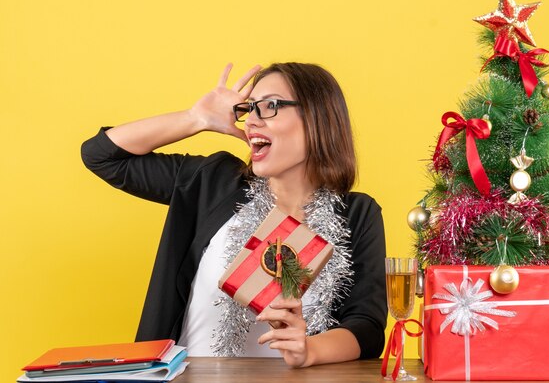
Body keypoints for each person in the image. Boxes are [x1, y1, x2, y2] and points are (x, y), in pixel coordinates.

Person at [81, 62, 387, 367]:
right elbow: (102, 157)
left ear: (317, 118)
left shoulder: (357, 214)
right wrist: (195, 118)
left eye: (269, 106)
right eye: (249, 108)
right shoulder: (213, 181)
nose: (251, 121)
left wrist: (309, 350)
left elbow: (367, 326)